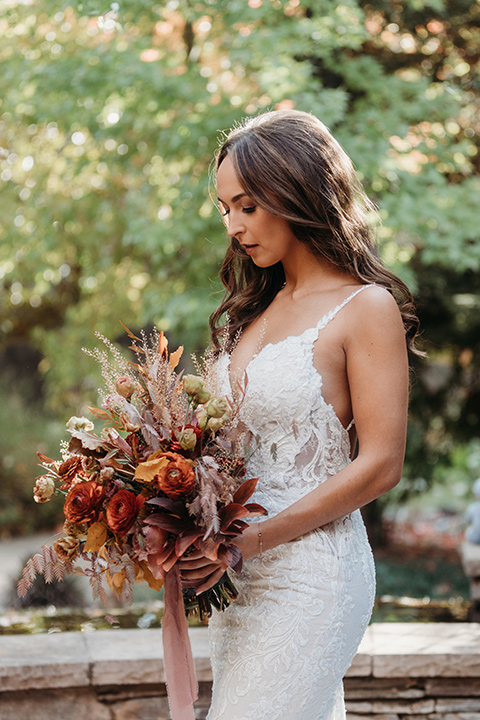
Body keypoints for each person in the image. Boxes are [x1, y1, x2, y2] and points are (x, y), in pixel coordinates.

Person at [180, 109, 422, 720]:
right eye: (224, 209)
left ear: (294, 191)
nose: (233, 225)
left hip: (313, 575)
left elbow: (381, 465)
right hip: (238, 582)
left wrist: (246, 542)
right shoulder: (251, 314)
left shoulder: (365, 307)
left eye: (247, 206)